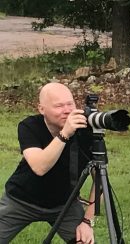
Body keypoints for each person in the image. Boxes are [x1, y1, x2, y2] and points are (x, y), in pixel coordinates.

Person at [0, 83, 95, 244]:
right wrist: (65, 133)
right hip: (21, 201)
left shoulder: (85, 130)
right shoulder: (29, 126)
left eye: (70, 104)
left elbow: (100, 179)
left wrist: (87, 221)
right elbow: (40, 167)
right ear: (41, 109)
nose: (67, 110)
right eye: (59, 106)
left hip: (65, 205)